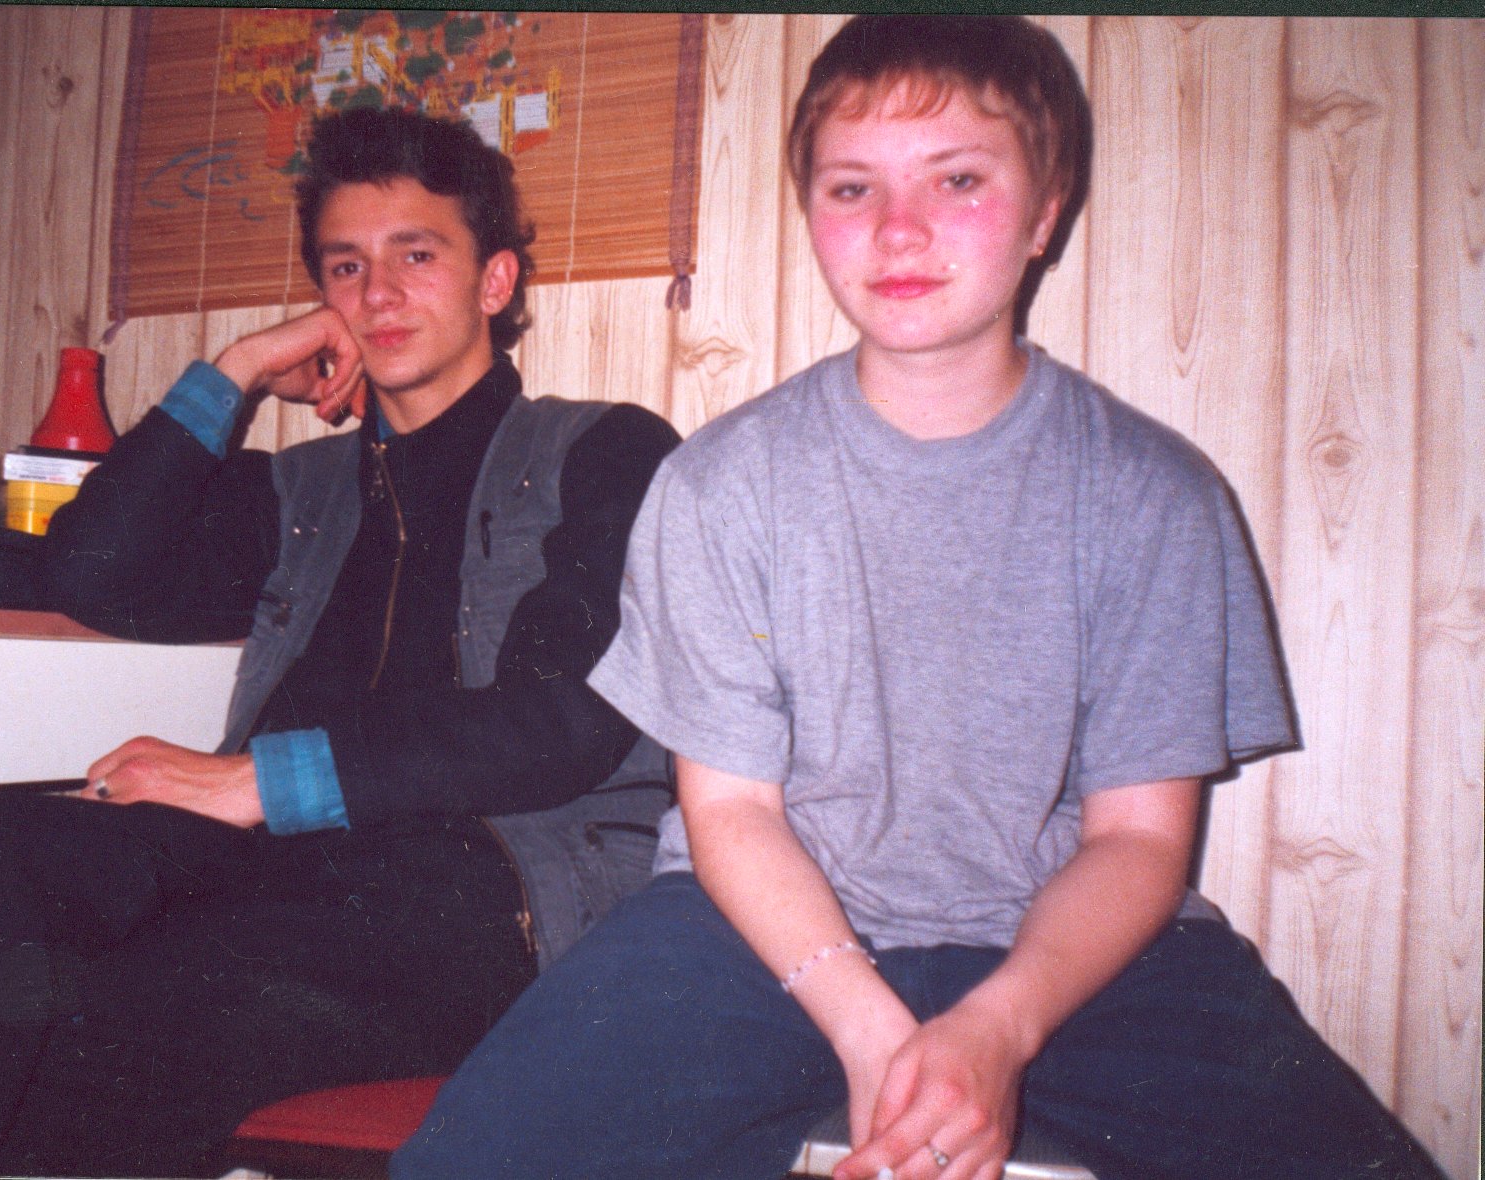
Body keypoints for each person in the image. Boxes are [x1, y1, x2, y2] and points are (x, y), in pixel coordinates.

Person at [390, 16, 1444, 1180]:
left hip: (1075, 951)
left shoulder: (1156, 496)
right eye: (852, 188)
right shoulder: (718, 484)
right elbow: (728, 813)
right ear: (809, 213)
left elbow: (1138, 839)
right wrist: (866, 1026)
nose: (898, 228)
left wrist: (997, 1028)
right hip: (753, 934)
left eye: (956, 179)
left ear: (1044, 212)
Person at [0, 107, 679, 1179]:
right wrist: (235, 369)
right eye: (345, 267)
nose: (377, 294)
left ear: (494, 281)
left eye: (417, 255)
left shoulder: (604, 450)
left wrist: (257, 781)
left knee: (95, 1030)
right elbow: (90, 570)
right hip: (260, 854)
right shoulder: (302, 490)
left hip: (485, 888)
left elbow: (562, 722)